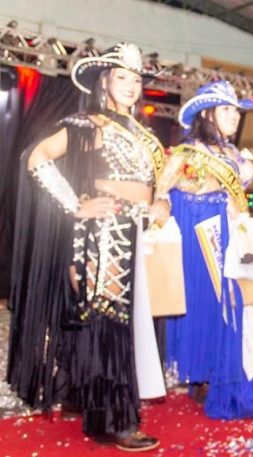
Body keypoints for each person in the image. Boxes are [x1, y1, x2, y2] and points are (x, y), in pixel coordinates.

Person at [8, 43, 162, 451]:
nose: (130, 85)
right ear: (104, 81)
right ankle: (113, 422)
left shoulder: (142, 133)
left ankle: (81, 397)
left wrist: (159, 202)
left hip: (135, 231)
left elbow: (147, 185)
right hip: (106, 233)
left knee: (107, 322)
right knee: (109, 324)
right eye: (122, 77)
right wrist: (75, 205)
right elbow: (36, 157)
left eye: (136, 79)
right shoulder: (89, 123)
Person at [153, 80, 253, 419]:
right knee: (216, 308)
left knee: (234, 309)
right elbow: (161, 192)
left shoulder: (233, 153)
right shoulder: (187, 152)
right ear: (207, 113)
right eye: (227, 109)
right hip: (202, 238)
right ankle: (217, 381)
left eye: (237, 111)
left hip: (232, 236)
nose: (235, 116)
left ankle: (222, 379)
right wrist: (168, 200)